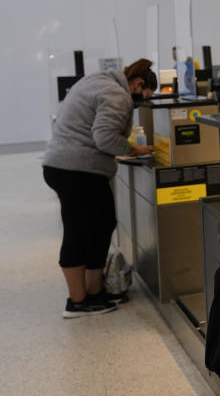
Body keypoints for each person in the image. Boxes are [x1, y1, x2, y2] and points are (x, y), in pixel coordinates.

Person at [42, 59, 156, 318]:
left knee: (102, 224)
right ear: (138, 84)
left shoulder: (98, 80)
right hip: (77, 169)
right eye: (144, 96)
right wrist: (131, 149)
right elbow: (104, 137)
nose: (140, 102)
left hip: (69, 166)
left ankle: (95, 291)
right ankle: (77, 302)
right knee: (79, 231)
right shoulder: (117, 94)